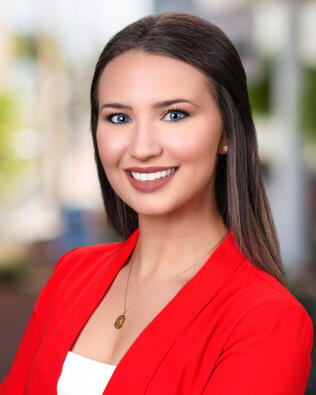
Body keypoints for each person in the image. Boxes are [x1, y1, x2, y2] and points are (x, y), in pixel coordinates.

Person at [0, 11, 314, 395]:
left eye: (174, 114)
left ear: (227, 132)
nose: (142, 148)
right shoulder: (71, 275)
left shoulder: (265, 318)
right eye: (118, 118)